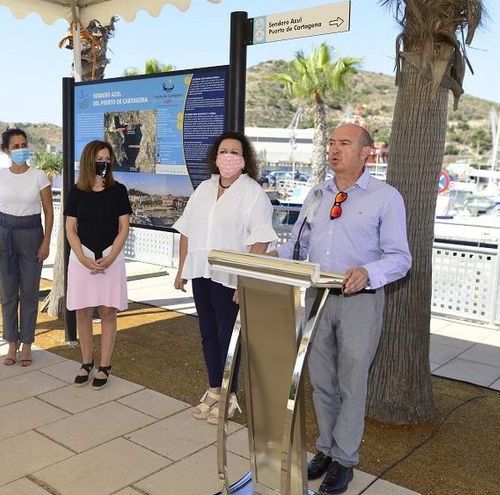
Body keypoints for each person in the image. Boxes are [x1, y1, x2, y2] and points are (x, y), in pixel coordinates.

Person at [267, 124, 412, 494]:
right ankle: (326, 450)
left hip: (358, 303)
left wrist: (367, 272)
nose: (334, 149)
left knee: (351, 384)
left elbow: (400, 258)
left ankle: (345, 460)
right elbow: (299, 247)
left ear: (366, 152)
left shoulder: (385, 197)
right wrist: (270, 255)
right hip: (318, 298)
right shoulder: (317, 193)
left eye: (344, 143)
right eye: (331, 142)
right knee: (321, 383)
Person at [172, 131, 277, 424]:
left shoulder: (252, 192)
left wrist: (247, 279)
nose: (227, 157)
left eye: (234, 152)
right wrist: (182, 269)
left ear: (244, 161)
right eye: (223, 151)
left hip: (231, 277)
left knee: (228, 336)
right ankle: (214, 389)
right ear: (215, 158)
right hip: (201, 272)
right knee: (207, 333)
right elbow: (187, 231)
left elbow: (261, 240)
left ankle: (230, 395)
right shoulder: (204, 189)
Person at [64, 140, 132, 389]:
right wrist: (82, 257)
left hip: (110, 257)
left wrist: (112, 255)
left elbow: (124, 226)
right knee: (82, 311)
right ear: (88, 161)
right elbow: (70, 228)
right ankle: (86, 362)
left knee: (107, 311)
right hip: (82, 257)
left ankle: (105, 365)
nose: (103, 163)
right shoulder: (76, 191)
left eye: (107, 159)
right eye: (99, 159)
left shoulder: (119, 190)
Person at [0, 128, 53, 368]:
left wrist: (46, 241)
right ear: (6, 150)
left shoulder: (39, 176)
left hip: (31, 233)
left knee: (29, 292)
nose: (20, 149)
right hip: (3, 233)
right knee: (7, 292)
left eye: (23, 144)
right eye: (15, 146)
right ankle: (11, 343)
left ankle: (27, 344)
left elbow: (48, 210)